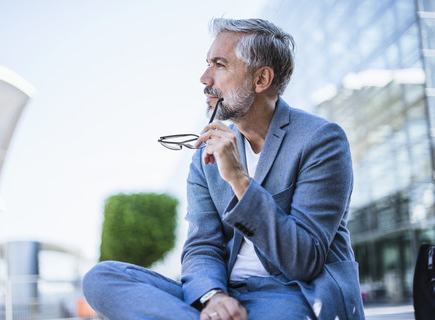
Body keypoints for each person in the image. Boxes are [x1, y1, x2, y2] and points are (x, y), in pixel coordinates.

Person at [82, 18, 365, 320]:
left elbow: (304, 260)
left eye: (219, 65)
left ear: (261, 80)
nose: (204, 78)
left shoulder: (321, 139)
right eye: (208, 64)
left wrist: (239, 180)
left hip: (293, 292)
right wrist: (213, 297)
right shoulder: (204, 155)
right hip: (227, 294)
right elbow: (202, 244)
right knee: (102, 278)